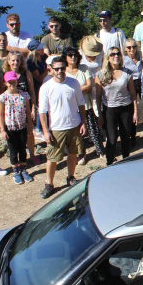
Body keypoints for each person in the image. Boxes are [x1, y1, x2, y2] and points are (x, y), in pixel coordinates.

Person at [38, 56, 87, 198]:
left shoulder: (73, 83)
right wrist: (46, 131)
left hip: (74, 125)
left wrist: (82, 122)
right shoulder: (46, 87)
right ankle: (49, 184)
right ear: (51, 70)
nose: (60, 71)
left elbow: (81, 103)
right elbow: (42, 112)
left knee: (73, 153)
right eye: (56, 69)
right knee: (52, 158)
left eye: (62, 68)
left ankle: (71, 177)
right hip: (56, 128)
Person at [96, 47, 138, 165]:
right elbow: (98, 96)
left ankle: (126, 161)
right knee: (111, 138)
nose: (116, 56)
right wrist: (99, 114)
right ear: (108, 58)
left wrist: (135, 111)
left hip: (126, 107)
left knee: (125, 136)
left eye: (118, 54)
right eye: (112, 54)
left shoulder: (127, 73)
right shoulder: (100, 74)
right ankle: (109, 163)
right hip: (109, 108)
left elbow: (133, 93)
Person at [1, 52, 40, 165]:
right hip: (10, 112)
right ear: (8, 61)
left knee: (29, 132)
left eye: (18, 60)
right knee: (14, 135)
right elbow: (1, 92)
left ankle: (32, 155)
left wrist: (33, 107)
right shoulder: (5, 74)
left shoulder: (25, 73)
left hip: (25, 108)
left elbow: (31, 91)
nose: (15, 63)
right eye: (13, 60)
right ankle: (16, 157)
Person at [65, 47, 104, 159]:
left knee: (93, 129)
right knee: (76, 134)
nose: (73, 58)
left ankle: (101, 151)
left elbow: (89, 85)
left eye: (75, 55)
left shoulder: (84, 68)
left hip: (86, 105)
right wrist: (79, 90)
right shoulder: (64, 71)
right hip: (71, 108)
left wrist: (73, 90)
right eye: (70, 55)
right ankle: (81, 155)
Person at [0, 71, 34, 185]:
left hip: (22, 126)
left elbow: (28, 111)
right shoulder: (3, 97)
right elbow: (1, 114)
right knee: (13, 151)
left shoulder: (24, 95)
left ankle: (23, 169)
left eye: (14, 81)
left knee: (22, 149)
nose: (12, 83)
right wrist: (3, 130)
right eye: (10, 82)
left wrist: (29, 126)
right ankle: (15, 171)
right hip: (10, 128)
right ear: (6, 83)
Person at [123, 38, 143, 143]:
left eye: (134, 47)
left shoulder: (140, 56)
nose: (132, 49)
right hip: (130, 83)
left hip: (141, 82)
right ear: (125, 49)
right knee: (132, 109)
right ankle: (132, 136)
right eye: (129, 47)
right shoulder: (123, 59)